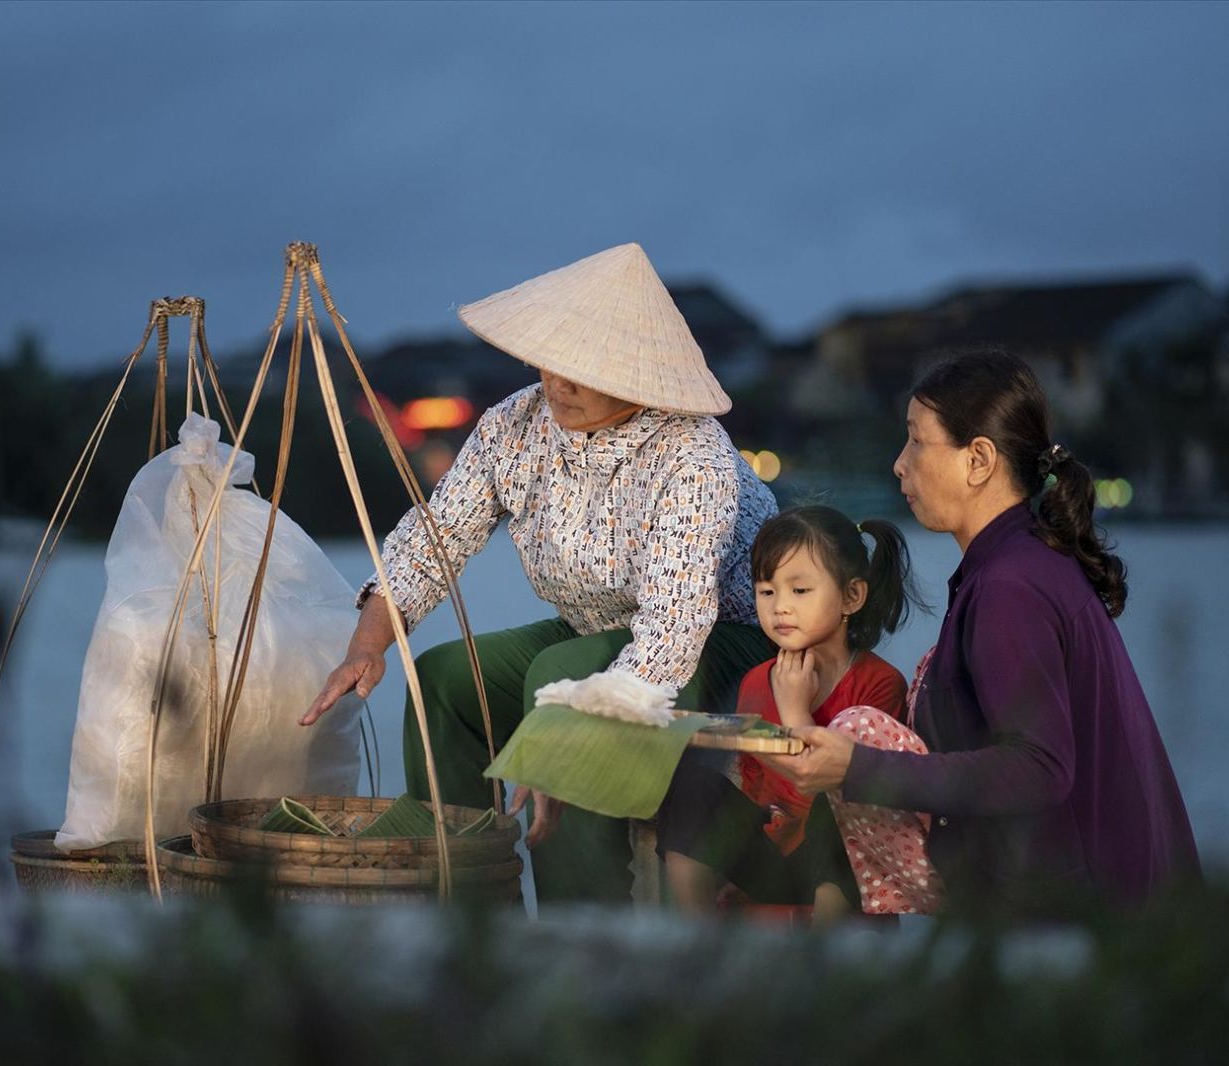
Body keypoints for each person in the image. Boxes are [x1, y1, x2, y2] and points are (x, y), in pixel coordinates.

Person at [300, 243, 778, 902]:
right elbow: (433, 542)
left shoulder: (693, 454)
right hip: (596, 628)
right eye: (554, 364)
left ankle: (579, 934)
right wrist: (366, 645)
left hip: (720, 642)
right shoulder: (513, 425)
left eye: (585, 371)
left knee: (559, 678)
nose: (559, 384)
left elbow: (674, 628)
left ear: (637, 376)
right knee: (441, 681)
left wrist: (564, 742)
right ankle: (470, 913)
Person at [760, 349, 1200, 917]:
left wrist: (855, 766)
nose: (899, 464)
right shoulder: (1023, 562)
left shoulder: (1010, 586)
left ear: (979, 460)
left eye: (917, 440)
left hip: (1080, 919)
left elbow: (1039, 767)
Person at [657, 505, 934, 922]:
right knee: (689, 784)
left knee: (837, 809)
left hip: (844, 873)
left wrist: (794, 709)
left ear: (851, 596)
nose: (780, 607)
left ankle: (818, 963)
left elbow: (857, 796)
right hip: (778, 850)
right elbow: (753, 781)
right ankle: (699, 938)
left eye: (800, 591)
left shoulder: (878, 684)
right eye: (766, 591)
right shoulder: (755, 681)